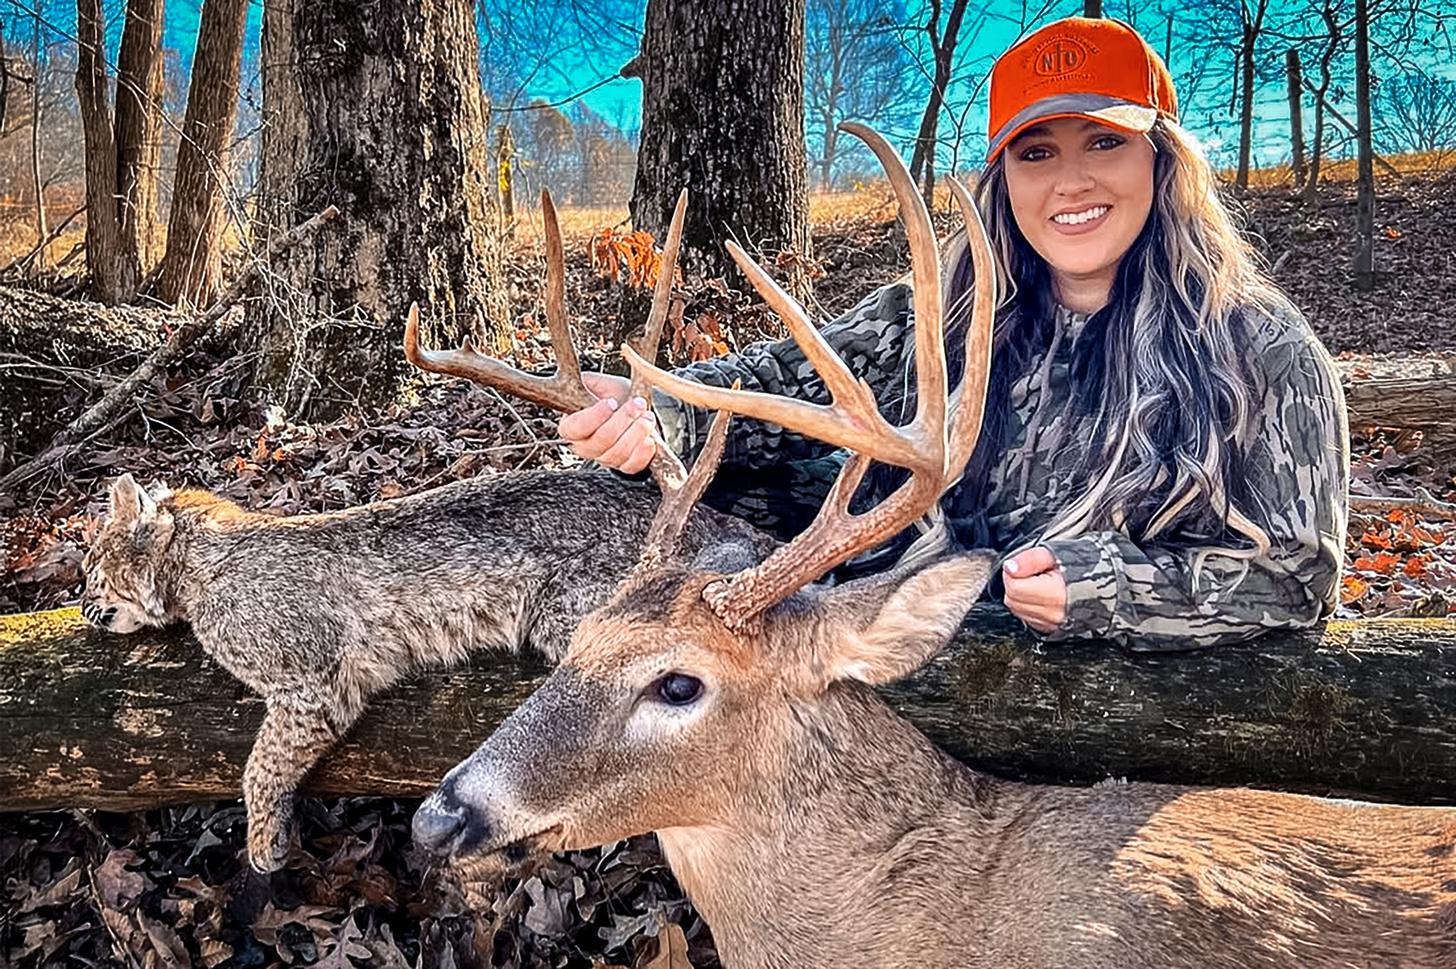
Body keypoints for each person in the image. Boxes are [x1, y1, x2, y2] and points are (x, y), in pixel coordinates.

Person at [557, 16, 1349, 650]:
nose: (1071, 182)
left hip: (1109, 725)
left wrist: (1106, 587)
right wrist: (661, 415)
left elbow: (1297, 574)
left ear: (1163, 161)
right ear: (1002, 181)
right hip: (898, 657)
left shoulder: (1261, 349)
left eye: (1105, 141)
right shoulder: (936, 315)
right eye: (1036, 153)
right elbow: (775, 383)